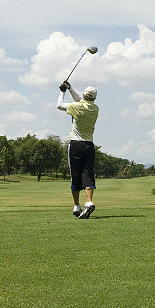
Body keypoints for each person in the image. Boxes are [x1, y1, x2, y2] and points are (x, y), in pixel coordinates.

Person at [57, 80, 99, 219]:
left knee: (75, 175)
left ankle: (76, 206)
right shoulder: (95, 108)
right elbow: (80, 100)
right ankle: (88, 202)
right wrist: (70, 88)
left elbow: (59, 105)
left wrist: (62, 91)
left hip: (76, 145)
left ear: (84, 95)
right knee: (88, 174)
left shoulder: (77, 107)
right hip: (89, 145)